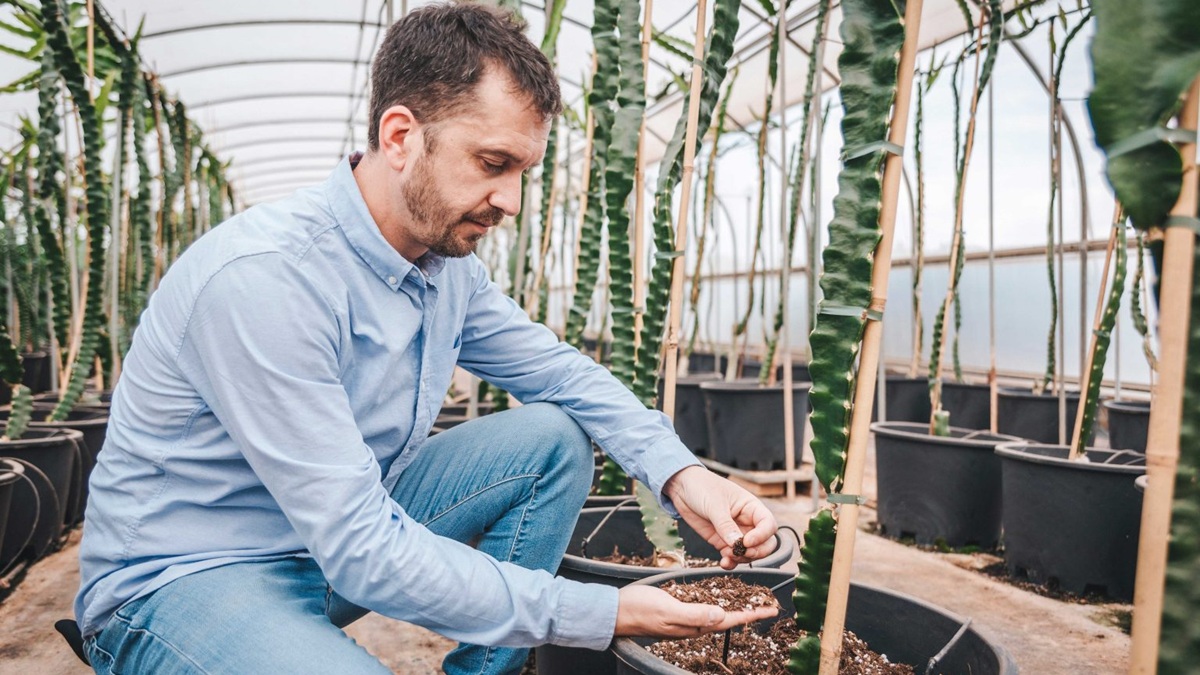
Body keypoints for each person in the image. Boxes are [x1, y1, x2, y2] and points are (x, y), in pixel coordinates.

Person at [75, 4, 779, 673]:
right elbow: (362, 548)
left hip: (322, 551)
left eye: (523, 173)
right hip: (188, 578)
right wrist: (602, 611)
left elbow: (563, 374)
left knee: (552, 438)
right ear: (400, 137)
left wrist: (682, 475)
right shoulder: (267, 280)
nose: (511, 201)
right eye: (493, 163)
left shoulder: (445, 271)